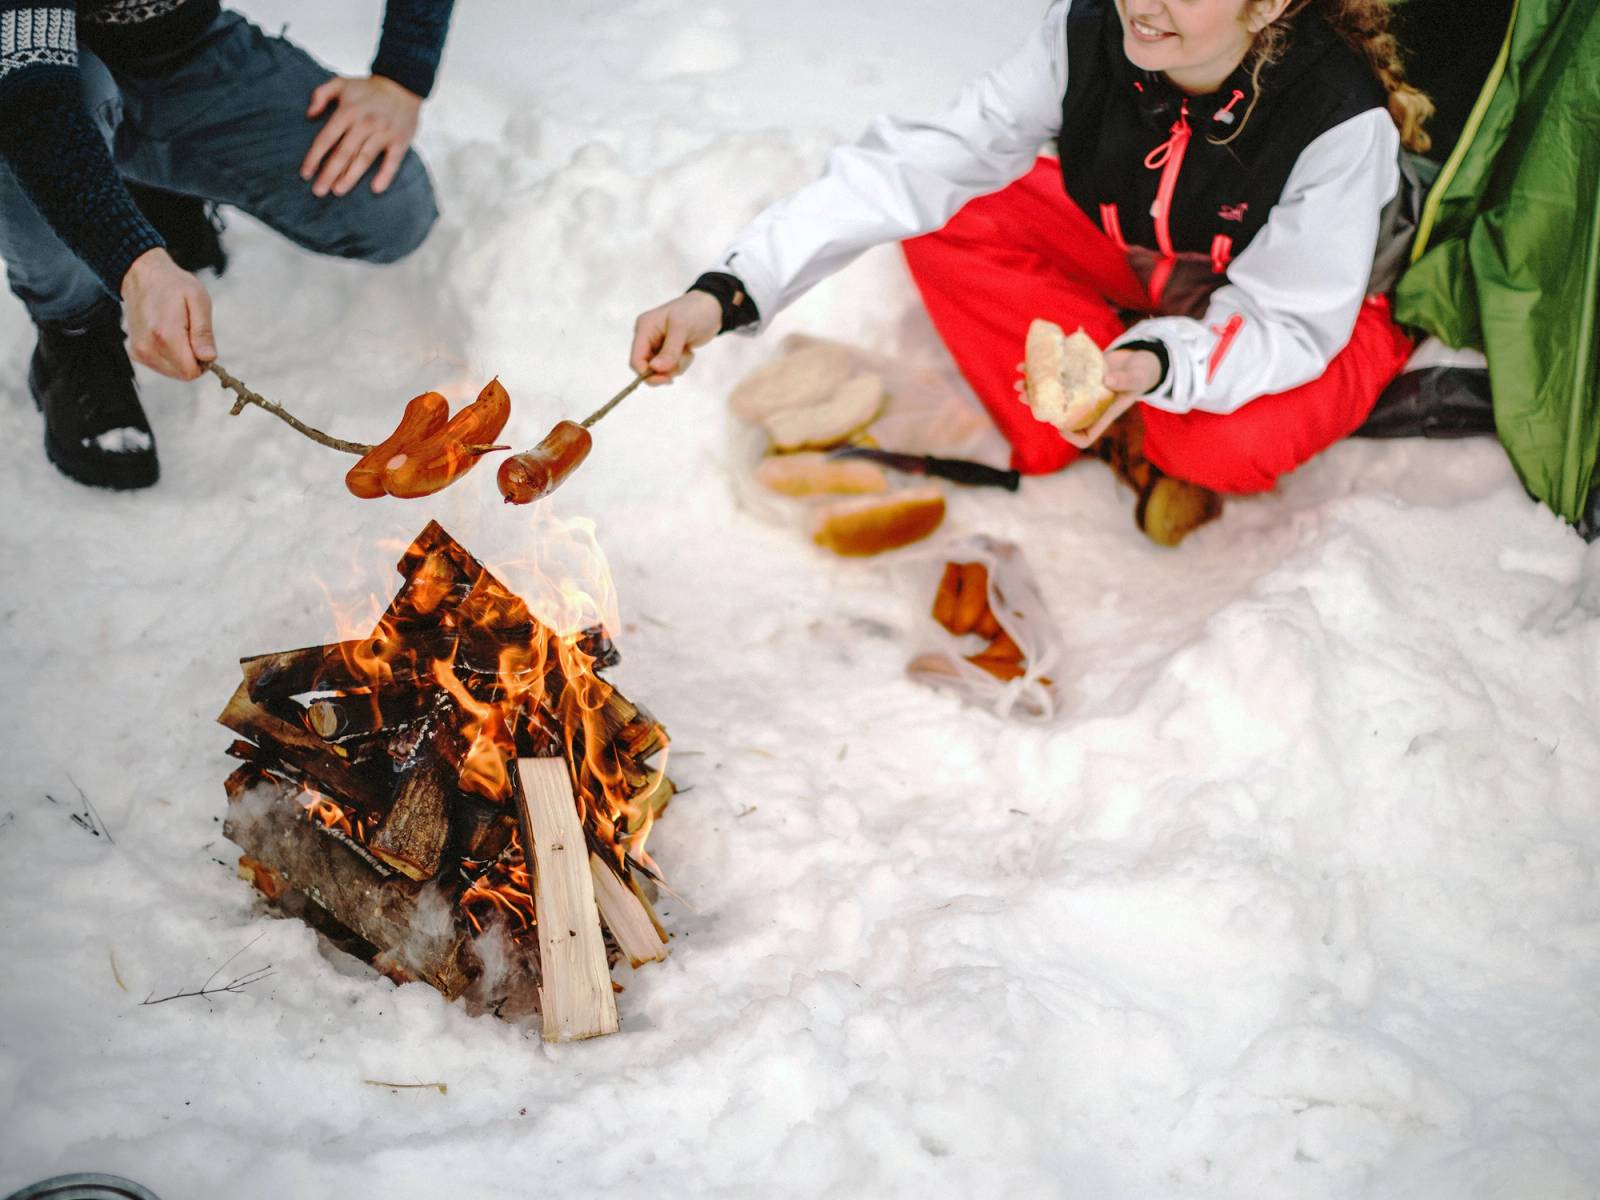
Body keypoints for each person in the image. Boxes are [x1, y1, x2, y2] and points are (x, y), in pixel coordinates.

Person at [629, 0, 1433, 545]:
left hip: (1314, 307)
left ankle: (1155, 409)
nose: (1142, 4)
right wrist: (727, 291)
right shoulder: (1088, 35)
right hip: (1159, 255)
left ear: (1269, 5)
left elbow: (1289, 321)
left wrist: (1161, 359)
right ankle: (1104, 404)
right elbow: (922, 165)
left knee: (1214, 447)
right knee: (953, 211)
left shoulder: (1336, 117)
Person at [0, 0, 454, 489]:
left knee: (388, 208)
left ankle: (155, 189)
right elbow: (34, 94)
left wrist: (403, 74)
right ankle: (74, 331)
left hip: (187, 44)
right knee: (19, 125)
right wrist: (135, 262)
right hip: (39, 78)